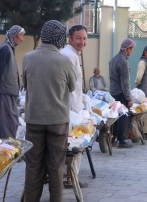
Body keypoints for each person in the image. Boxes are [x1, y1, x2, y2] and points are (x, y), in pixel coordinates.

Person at [19, 20, 76, 202]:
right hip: (58, 121)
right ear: (60, 38)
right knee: (56, 166)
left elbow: (24, 84)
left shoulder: (27, 58)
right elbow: (71, 86)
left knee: (33, 165)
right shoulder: (64, 61)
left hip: (34, 119)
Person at [60, 25, 88, 188]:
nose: (82, 42)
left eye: (84, 38)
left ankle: (71, 177)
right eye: (78, 38)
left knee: (75, 143)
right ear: (70, 38)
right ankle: (69, 178)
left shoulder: (74, 55)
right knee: (73, 144)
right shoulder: (68, 56)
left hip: (75, 106)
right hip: (69, 108)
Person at [0, 25, 25, 139]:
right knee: (8, 125)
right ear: (14, 36)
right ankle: (6, 150)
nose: (22, 39)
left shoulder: (8, 48)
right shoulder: (5, 49)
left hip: (7, 92)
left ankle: (3, 151)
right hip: (5, 92)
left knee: (6, 123)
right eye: (21, 35)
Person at [109, 38, 136, 148]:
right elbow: (125, 82)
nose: (132, 51)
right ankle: (122, 140)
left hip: (113, 92)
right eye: (132, 49)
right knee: (123, 116)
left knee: (115, 116)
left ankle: (113, 138)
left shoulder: (114, 59)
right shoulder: (123, 62)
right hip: (121, 93)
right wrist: (129, 99)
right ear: (127, 49)